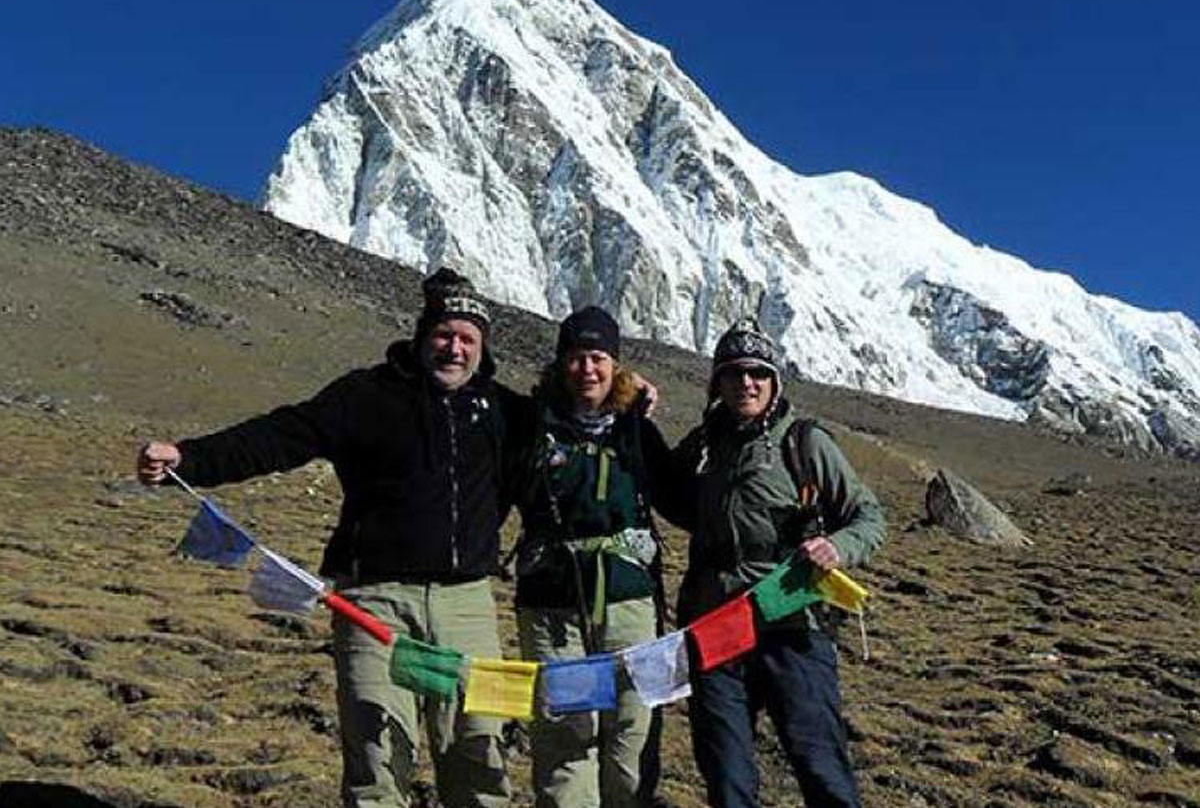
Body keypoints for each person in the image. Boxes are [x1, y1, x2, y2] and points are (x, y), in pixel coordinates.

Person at [137, 268, 523, 808]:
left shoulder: (507, 411)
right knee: (377, 757)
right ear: (421, 336)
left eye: (467, 339)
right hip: (373, 602)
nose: (453, 348)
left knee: (481, 755)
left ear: (483, 347)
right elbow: (281, 435)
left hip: (469, 606)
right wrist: (190, 458)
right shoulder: (365, 395)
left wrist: (630, 398)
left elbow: (582, 418)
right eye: (443, 334)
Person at [667, 318, 886, 808]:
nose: (747, 382)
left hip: (792, 621)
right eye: (734, 372)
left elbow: (867, 516)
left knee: (820, 763)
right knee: (726, 774)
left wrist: (839, 547)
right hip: (716, 625)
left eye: (758, 373)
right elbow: (666, 491)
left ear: (774, 382)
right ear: (717, 383)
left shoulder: (804, 442)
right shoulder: (703, 446)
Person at [508, 307, 677, 808]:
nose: (587, 369)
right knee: (567, 738)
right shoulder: (530, 426)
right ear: (561, 364)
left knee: (633, 733)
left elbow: (683, 498)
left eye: (598, 358)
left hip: (630, 604)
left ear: (616, 366)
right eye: (577, 358)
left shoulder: (637, 434)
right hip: (554, 604)